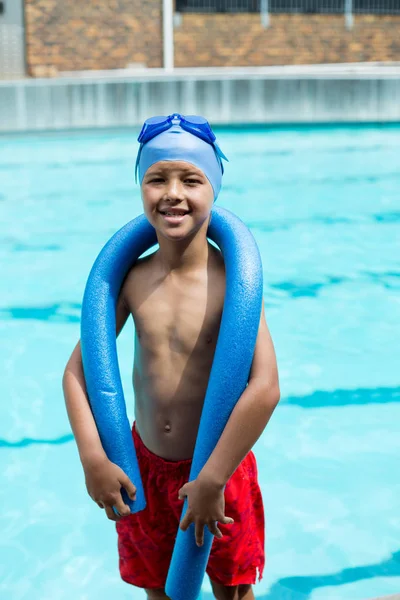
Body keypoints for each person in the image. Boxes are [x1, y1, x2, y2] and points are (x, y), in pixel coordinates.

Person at [62, 114, 280, 600]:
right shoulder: (133, 281)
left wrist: (213, 477)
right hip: (144, 469)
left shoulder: (234, 283)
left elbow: (265, 387)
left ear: (215, 189)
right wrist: (93, 457)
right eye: (156, 178)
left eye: (191, 179)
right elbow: (78, 373)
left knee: (233, 590)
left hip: (219, 468)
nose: (172, 193)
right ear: (141, 188)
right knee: (159, 590)